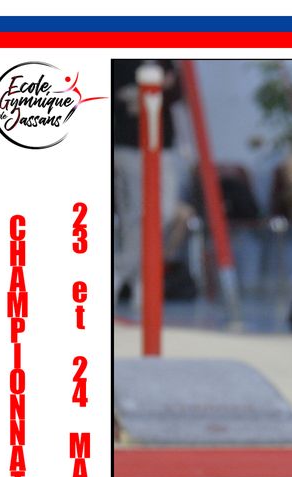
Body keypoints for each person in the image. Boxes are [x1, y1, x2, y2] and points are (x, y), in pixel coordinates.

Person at [113, 59, 184, 308]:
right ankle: (137, 279)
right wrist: (139, 93)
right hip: (129, 146)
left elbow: (178, 91)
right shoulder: (119, 60)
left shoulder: (163, 56)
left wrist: (157, 90)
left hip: (163, 146)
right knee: (135, 216)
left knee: (164, 213)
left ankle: (122, 269)